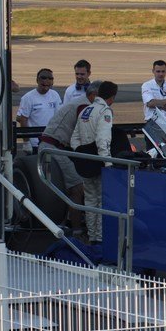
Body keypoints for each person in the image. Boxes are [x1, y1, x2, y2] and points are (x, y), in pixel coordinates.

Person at [38, 81, 102, 237]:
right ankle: (77, 230)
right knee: (77, 187)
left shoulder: (81, 103)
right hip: (53, 147)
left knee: (65, 186)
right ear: (94, 95)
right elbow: (86, 134)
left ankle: (68, 222)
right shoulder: (84, 106)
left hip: (52, 146)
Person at [71, 81, 118, 244]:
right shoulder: (105, 111)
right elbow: (103, 140)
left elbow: (74, 139)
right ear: (112, 97)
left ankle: (93, 237)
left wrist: (82, 155)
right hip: (99, 164)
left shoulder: (86, 110)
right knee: (103, 200)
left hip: (86, 164)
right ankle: (100, 238)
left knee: (90, 200)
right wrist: (108, 164)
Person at [16, 69, 61, 154]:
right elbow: (22, 119)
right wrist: (26, 142)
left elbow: (59, 116)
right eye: (43, 78)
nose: (46, 81)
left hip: (51, 141)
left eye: (50, 78)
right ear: (37, 80)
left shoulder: (55, 95)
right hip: (35, 142)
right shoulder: (28, 97)